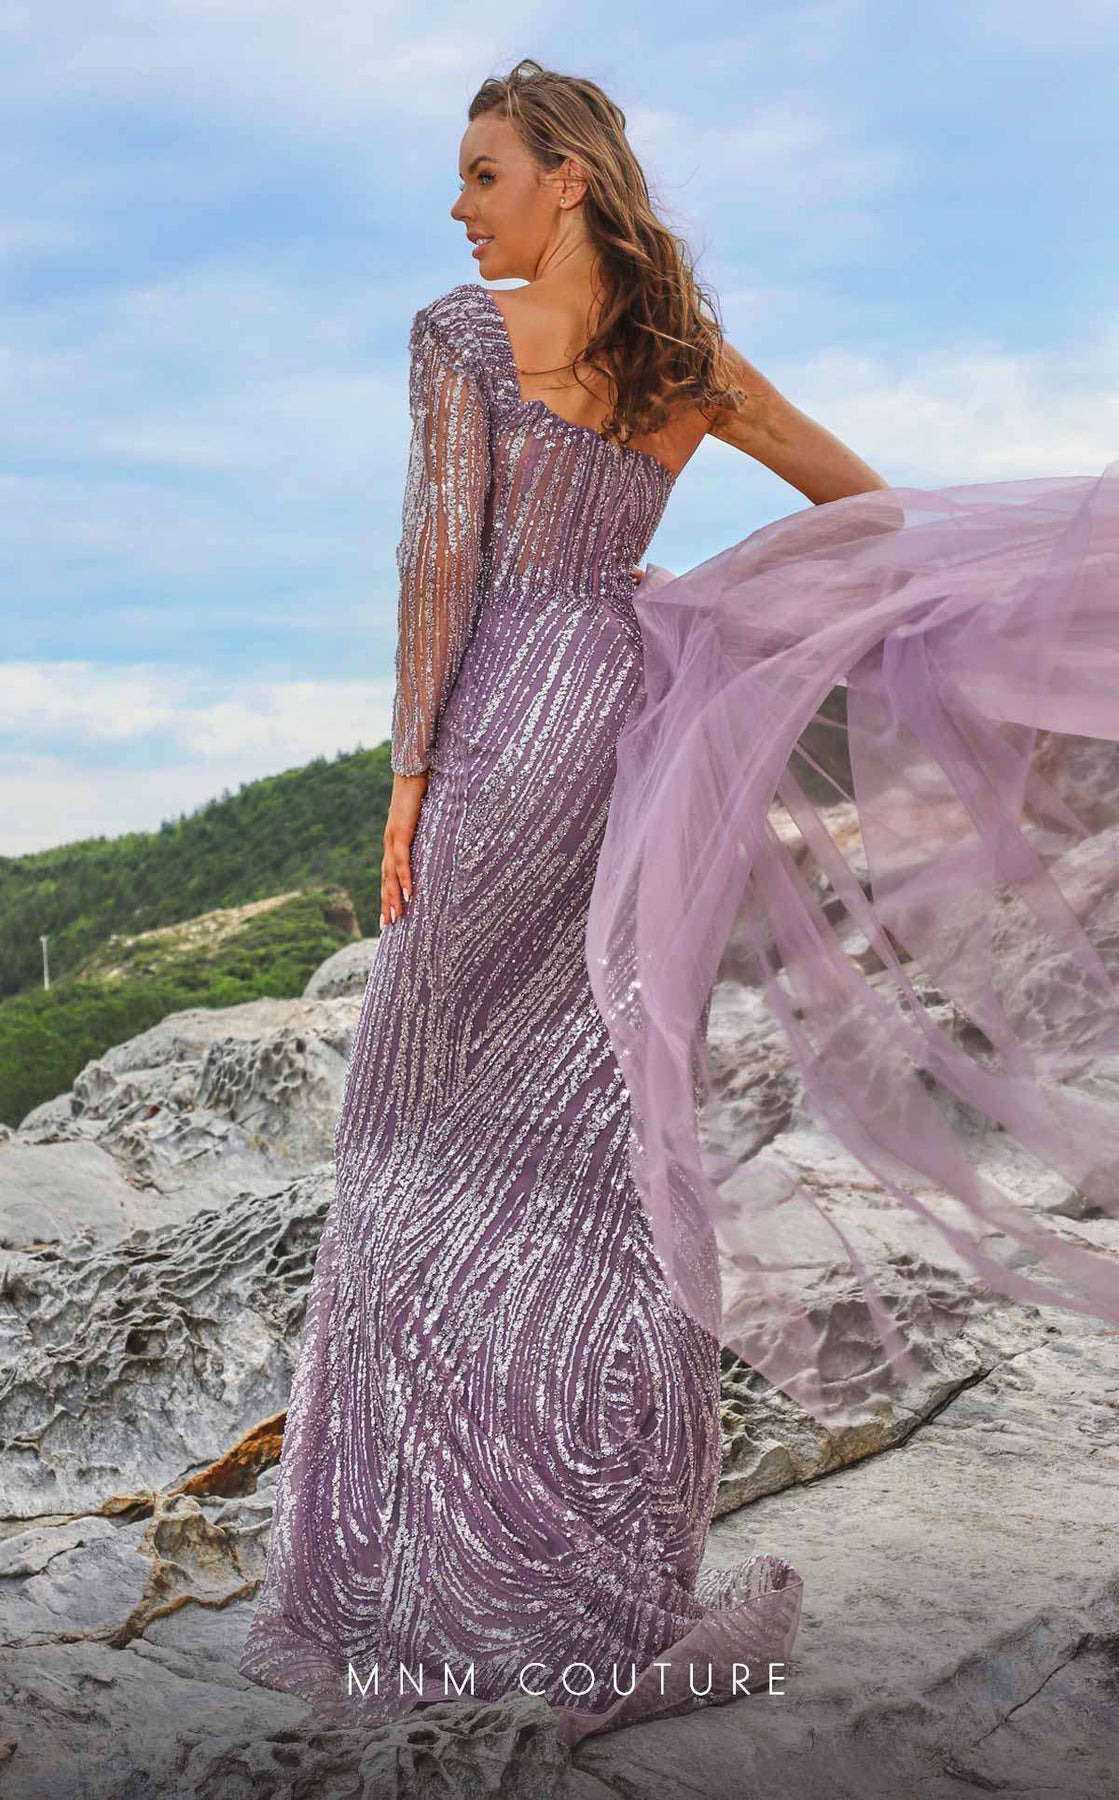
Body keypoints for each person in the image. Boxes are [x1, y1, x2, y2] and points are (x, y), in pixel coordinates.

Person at [238, 59, 1119, 1746]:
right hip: (621, 726)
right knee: (589, 1136)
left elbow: (437, 572)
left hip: (501, 737)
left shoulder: (461, 336)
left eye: (484, 172)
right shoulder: (683, 358)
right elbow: (869, 508)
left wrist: (410, 775)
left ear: (566, 176)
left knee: (406, 1130)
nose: (460, 206)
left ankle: (420, 1574)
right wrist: (691, 608)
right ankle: (595, 1563)